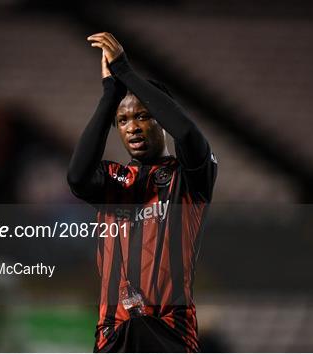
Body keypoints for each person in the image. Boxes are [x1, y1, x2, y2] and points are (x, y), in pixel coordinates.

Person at [67, 32, 217, 352]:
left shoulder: (188, 178)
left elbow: (188, 134)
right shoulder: (112, 180)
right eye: (122, 120)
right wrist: (110, 93)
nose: (132, 126)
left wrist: (125, 72)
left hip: (169, 334)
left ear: (161, 121)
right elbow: (77, 176)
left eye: (142, 115)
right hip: (112, 334)